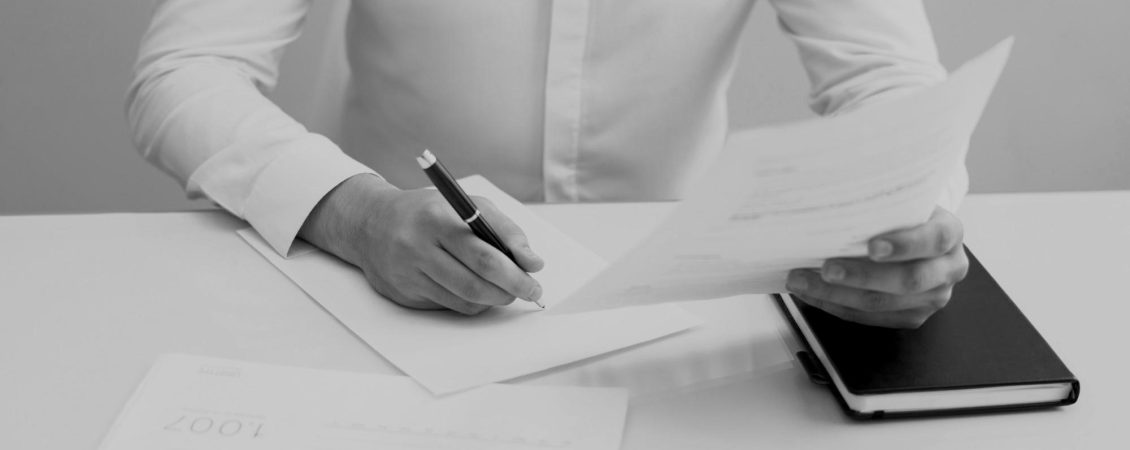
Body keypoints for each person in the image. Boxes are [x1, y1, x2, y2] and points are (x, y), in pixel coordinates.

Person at [127, 0, 969, 328]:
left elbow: (884, 76)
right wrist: (357, 212)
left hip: (675, 309)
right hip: (368, 292)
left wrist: (904, 215)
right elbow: (184, 72)